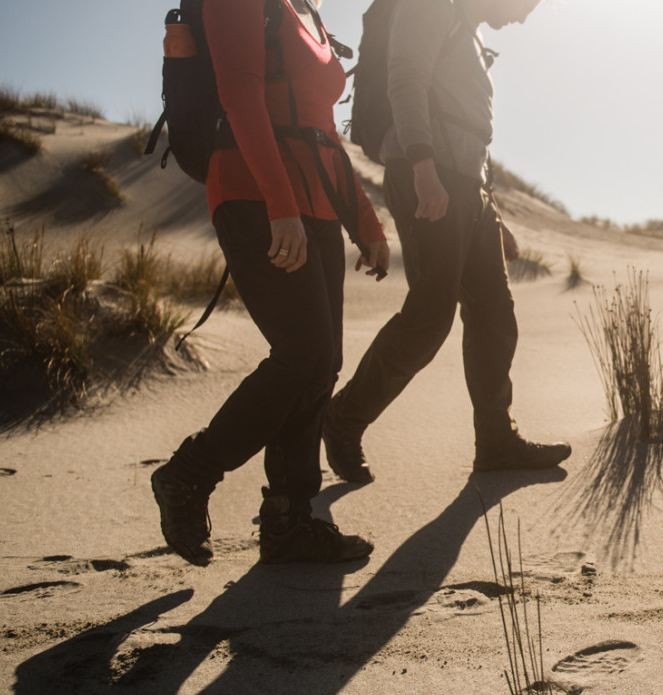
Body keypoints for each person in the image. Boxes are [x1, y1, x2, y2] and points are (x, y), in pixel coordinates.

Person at [152, 0, 392, 567]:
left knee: (322, 362)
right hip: (255, 191)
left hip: (315, 201)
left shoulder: (305, 10)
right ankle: (188, 475)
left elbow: (324, 131)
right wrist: (280, 205)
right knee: (301, 354)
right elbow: (240, 100)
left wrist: (365, 221)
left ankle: (289, 519)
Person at [322, 0, 570, 484]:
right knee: (430, 316)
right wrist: (422, 167)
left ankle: (496, 439)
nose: (524, 17)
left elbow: (471, 129)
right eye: (526, 4)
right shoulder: (431, 5)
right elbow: (406, 80)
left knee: (495, 311)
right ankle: (343, 419)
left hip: (466, 188)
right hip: (430, 178)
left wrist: (490, 211)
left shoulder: (471, 32)